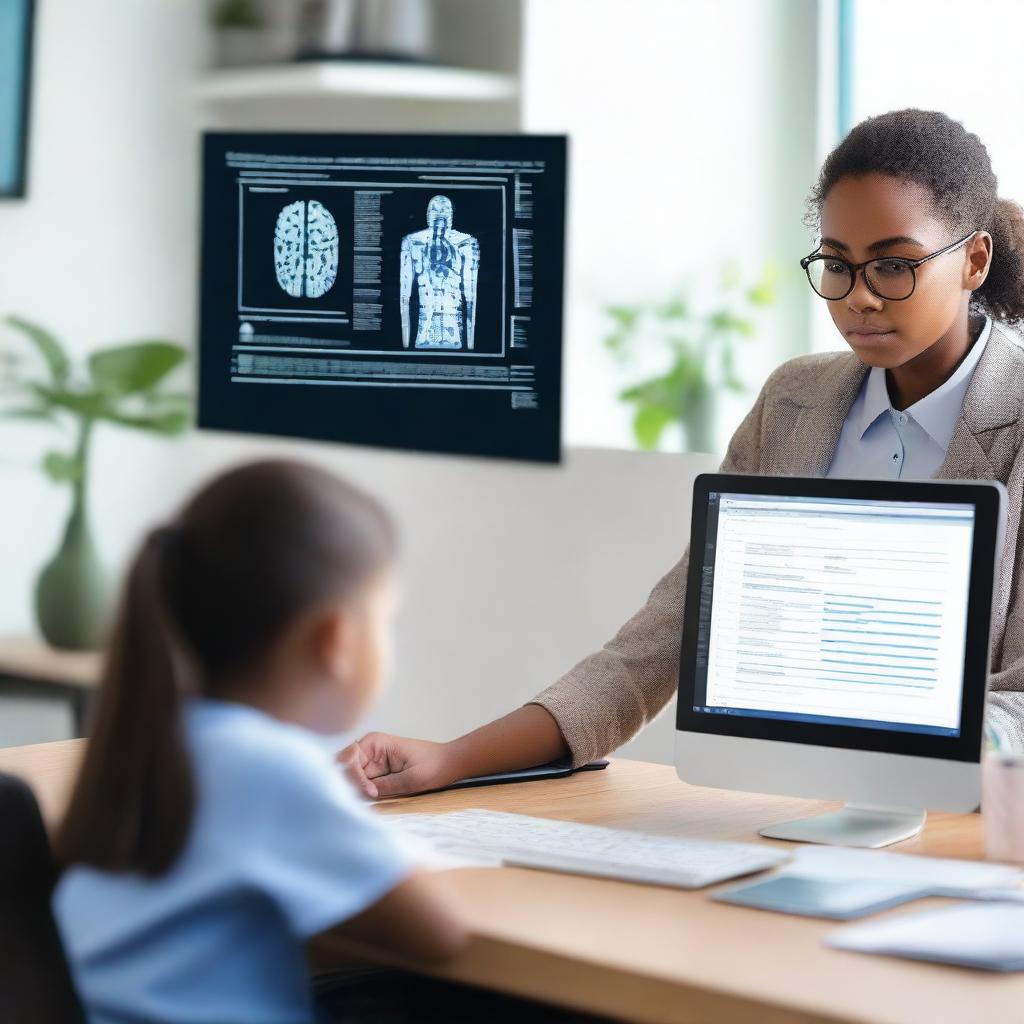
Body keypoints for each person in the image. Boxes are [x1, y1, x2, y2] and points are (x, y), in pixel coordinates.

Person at [341, 107, 1024, 801]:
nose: (861, 298)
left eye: (894, 265)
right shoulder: (795, 402)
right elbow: (661, 641)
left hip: (976, 830)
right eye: (838, 266)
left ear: (973, 260)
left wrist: (883, 738)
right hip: (801, 810)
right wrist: (453, 759)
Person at [51, 460, 467, 1024]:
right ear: (336, 640)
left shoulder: (155, 739)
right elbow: (436, 934)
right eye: (385, 620)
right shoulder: (272, 769)